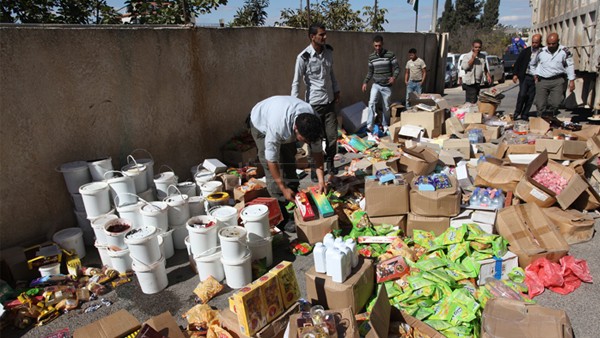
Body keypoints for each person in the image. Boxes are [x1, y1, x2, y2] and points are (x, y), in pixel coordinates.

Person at [249, 96, 327, 205]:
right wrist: (283, 188)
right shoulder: (277, 127)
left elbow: (317, 153)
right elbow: (271, 161)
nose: (307, 143)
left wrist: (321, 181)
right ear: (296, 129)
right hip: (261, 122)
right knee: (273, 169)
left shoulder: (314, 123)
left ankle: (294, 194)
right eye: (304, 140)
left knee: (289, 159)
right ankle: (281, 204)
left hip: (283, 114)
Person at [291, 23, 340, 181]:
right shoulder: (303, 57)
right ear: (312, 37)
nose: (325, 37)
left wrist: (337, 89)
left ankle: (330, 162)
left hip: (330, 101)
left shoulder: (329, 52)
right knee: (315, 139)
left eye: (325, 34)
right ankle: (315, 168)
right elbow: (296, 82)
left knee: (332, 136)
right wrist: (293, 104)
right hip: (314, 104)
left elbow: (331, 73)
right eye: (321, 35)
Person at [361, 35, 400, 138]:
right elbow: (370, 71)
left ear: (382, 44)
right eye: (376, 46)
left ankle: (385, 124)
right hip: (376, 84)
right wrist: (365, 82)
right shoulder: (371, 57)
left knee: (386, 107)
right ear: (373, 45)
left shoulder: (390, 55)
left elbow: (397, 68)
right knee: (371, 103)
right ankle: (370, 125)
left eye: (379, 45)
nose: (377, 48)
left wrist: (394, 77)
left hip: (387, 86)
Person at [531, 32, 576, 117]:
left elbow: (570, 65)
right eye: (549, 44)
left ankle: (550, 117)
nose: (551, 45)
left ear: (558, 41)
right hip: (542, 80)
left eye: (553, 44)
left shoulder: (564, 51)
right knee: (540, 104)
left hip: (558, 80)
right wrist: (535, 74)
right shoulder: (541, 51)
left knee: (556, 102)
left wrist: (572, 80)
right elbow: (532, 64)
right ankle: (541, 121)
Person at [512, 34, 543, 120]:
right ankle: (517, 112)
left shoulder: (543, 52)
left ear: (540, 42)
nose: (534, 44)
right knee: (522, 94)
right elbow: (518, 62)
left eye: (536, 42)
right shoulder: (526, 51)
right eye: (533, 42)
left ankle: (525, 113)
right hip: (525, 76)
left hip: (535, 78)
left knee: (530, 97)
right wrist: (515, 74)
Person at [461, 39, 492, 103]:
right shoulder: (467, 56)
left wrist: (488, 75)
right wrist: (472, 58)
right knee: (471, 101)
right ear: (472, 47)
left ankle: (472, 111)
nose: (477, 49)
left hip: (478, 82)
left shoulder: (482, 57)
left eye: (479, 47)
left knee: (476, 99)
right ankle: (469, 112)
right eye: (476, 47)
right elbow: (464, 67)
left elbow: (484, 67)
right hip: (470, 82)